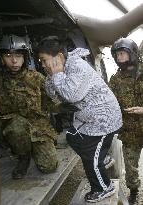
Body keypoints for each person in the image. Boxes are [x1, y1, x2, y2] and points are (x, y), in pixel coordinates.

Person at [36, 36, 122, 203]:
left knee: (90, 158)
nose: (43, 64)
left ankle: (104, 188)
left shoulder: (77, 66)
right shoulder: (60, 68)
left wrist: (57, 74)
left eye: (45, 60)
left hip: (103, 120)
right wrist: (54, 75)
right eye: (41, 61)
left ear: (59, 57)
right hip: (88, 118)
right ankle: (102, 157)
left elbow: (71, 95)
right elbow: (52, 94)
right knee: (73, 137)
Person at [0, 34, 58, 179]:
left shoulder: (36, 78)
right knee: (16, 126)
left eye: (18, 56)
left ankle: (38, 148)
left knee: (49, 167)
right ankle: (23, 157)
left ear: (25, 58)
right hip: (14, 127)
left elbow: (51, 103)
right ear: (1, 58)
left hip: (38, 125)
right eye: (9, 56)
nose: (14, 61)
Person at [109, 37, 143, 204]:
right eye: (116, 54)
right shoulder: (115, 79)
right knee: (130, 167)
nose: (118, 57)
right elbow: (109, 102)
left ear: (132, 54)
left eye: (122, 53)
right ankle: (134, 190)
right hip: (130, 131)